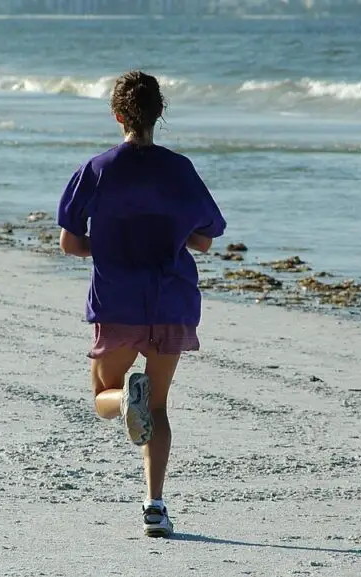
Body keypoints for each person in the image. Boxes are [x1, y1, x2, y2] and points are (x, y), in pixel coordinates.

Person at [55, 70, 227, 538]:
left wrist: (108, 245)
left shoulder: (97, 169)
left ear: (117, 116)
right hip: (171, 299)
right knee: (160, 407)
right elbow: (207, 238)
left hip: (117, 299)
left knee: (102, 397)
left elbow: (70, 243)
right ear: (159, 115)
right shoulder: (180, 169)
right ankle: (154, 505)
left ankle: (125, 400)